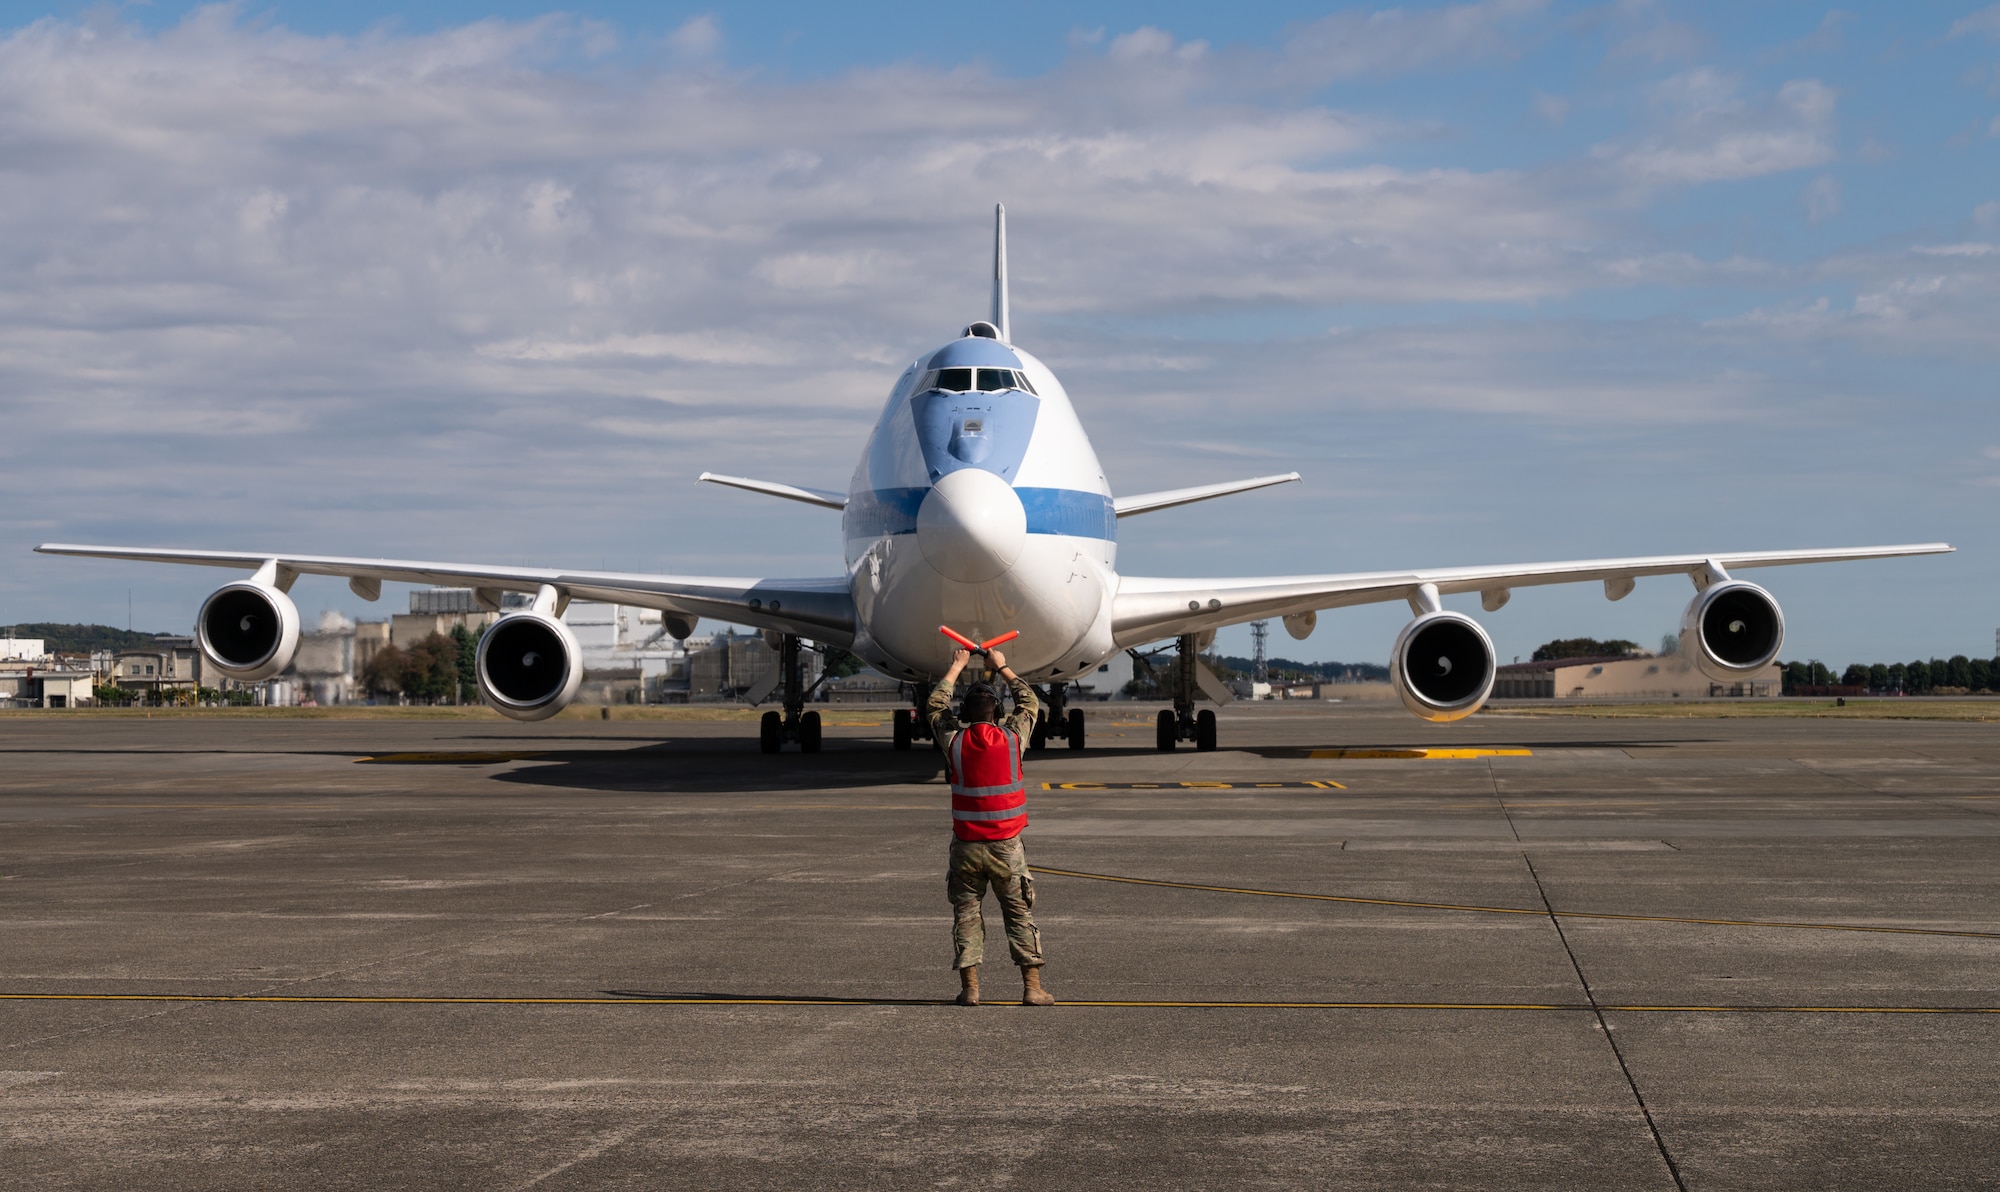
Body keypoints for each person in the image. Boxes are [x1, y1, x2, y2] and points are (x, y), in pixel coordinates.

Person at [927, 646, 1053, 1007]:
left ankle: (971, 989)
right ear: (998, 712)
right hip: (1006, 846)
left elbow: (936, 707)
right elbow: (1029, 704)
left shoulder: (954, 741)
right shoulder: (1013, 739)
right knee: (1018, 913)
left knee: (966, 915)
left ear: (963, 715)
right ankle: (1032, 987)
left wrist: (956, 667)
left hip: (966, 845)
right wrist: (1003, 668)